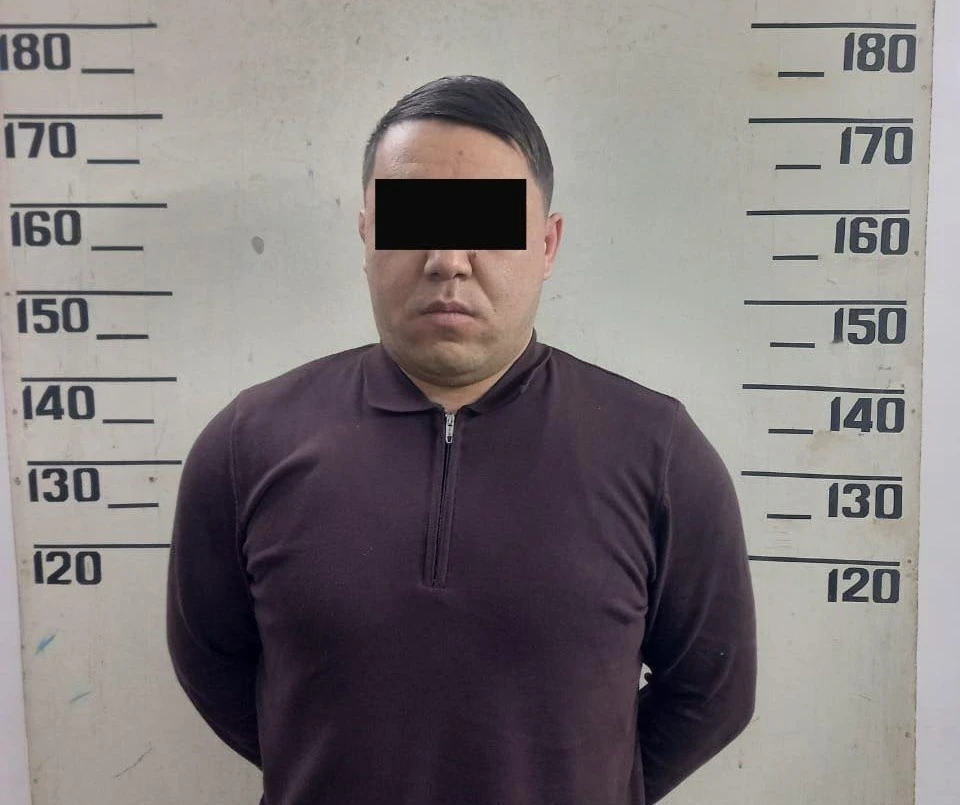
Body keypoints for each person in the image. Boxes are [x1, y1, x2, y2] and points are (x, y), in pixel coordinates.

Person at [166, 73, 757, 805]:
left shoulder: (658, 452)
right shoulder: (248, 444)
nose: (448, 258)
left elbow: (714, 691)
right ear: (366, 236)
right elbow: (211, 663)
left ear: (547, 244)